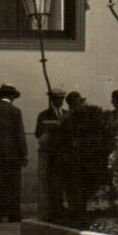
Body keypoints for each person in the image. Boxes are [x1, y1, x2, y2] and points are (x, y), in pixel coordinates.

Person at [0, 84, 28, 223]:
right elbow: (20, 134)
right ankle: (14, 214)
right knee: (14, 184)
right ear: (12, 97)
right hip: (13, 154)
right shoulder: (15, 111)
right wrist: (24, 154)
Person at [34, 88, 68, 223]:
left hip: (64, 154)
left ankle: (60, 210)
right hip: (50, 155)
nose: (60, 101)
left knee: (61, 184)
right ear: (52, 100)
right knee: (51, 183)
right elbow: (38, 133)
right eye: (57, 99)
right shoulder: (44, 115)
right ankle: (52, 210)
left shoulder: (67, 114)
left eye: (62, 99)